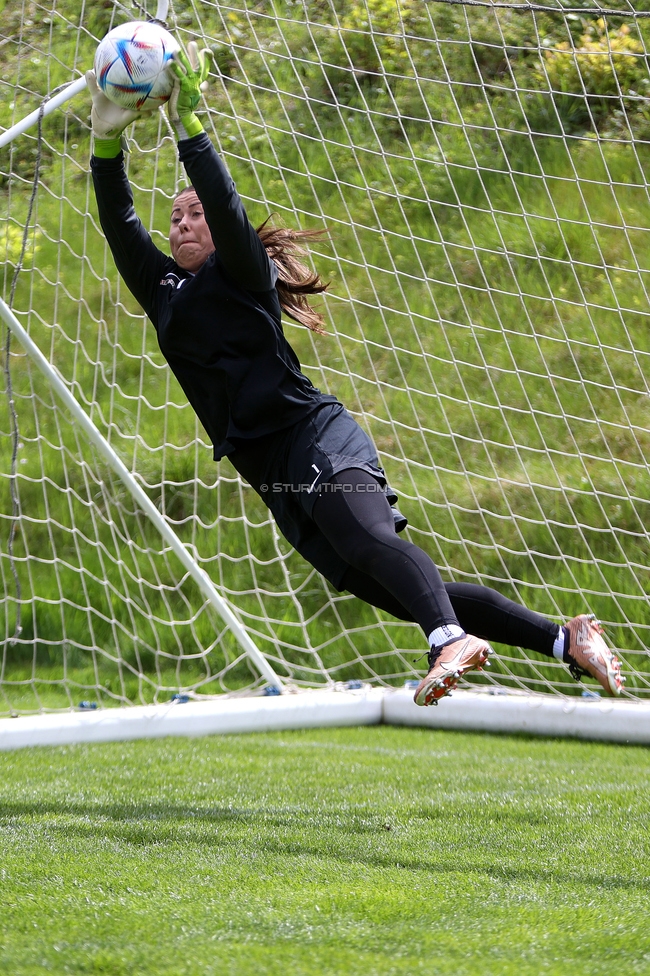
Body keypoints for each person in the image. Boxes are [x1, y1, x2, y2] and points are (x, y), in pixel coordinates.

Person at [86, 43, 624, 706]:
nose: (182, 220)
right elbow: (119, 222)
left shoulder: (243, 268)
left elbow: (225, 204)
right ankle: (563, 640)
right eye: (175, 215)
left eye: (194, 212)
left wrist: (191, 126)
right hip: (271, 470)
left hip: (314, 437)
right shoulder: (165, 290)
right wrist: (104, 141)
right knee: (391, 585)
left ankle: (447, 640)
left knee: (371, 541)